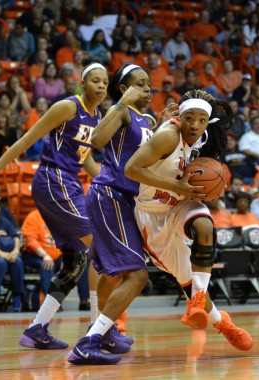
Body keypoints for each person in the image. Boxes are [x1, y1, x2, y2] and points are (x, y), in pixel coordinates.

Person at [0, 58, 109, 350]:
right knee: (99, 248)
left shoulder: (96, 116)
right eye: (96, 80)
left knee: (76, 261)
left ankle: (37, 328)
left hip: (68, 182)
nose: (101, 85)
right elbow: (24, 141)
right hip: (52, 179)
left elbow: (85, 158)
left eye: (105, 82)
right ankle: (98, 331)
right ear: (82, 83)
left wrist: (109, 187)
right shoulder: (67, 107)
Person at [125, 89, 253, 352]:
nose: (195, 125)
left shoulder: (203, 137)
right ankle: (223, 324)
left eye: (201, 120)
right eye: (190, 118)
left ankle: (197, 300)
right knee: (184, 276)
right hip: (153, 212)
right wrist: (179, 187)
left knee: (205, 225)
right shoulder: (168, 136)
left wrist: (213, 185)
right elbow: (131, 170)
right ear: (180, 116)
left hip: (181, 202)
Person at [66, 64, 155, 366]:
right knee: (138, 275)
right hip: (111, 196)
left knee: (112, 272)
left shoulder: (146, 119)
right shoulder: (123, 111)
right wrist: (120, 104)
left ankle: (104, 333)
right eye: (140, 85)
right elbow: (97, 141)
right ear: (124, 89)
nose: (147, 90)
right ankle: (89, 341)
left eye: (149, 85)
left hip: (126, 200)